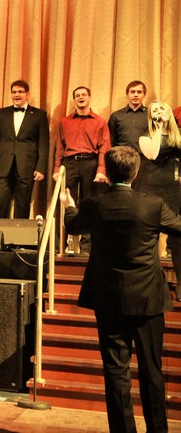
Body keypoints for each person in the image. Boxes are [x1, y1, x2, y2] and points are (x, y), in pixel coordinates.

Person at [63, 146, 181, 433]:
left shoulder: (94, 205)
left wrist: (68, 205)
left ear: (108, 172)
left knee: (116, 371)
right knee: (152, 370)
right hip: (148, 298)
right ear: (135, 172)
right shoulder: (153, 204)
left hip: (108, 298)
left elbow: (73, 226)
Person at [53, 86, 111, 256]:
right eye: (77, 95)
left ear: (89, 97)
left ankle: (86, 247)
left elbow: (104, 148)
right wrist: (56, 169)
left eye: (84, 95)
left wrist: (101, 170)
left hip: (90, 164)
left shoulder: (100, 122)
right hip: (69, 164)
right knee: (64, 201)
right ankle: (60, 245)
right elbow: (59, 147)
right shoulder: (65, 122)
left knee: (90, 203)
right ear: (74, 100)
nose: (81, 97)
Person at [0, 80, 50, 219]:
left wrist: (40, 167)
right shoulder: (1, 113)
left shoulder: (39, 115)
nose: (17, 95)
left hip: (27, 166)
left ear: (27, 94)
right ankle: (0, 232)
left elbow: (43, 144)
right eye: (14, 92)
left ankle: (19, 233)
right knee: (0, 202)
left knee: (23, 204)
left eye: (20, 92)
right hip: (3, 166)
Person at [139, 101, 181, 279]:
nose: (158, 112)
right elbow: (152, 154)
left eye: (162, 109)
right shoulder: (145, 136)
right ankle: (150, 279)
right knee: (149, 234)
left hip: (172, 189)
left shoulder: (178, 136)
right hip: (150, 187)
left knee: (177, 236)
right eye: (154, 110)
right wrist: (158, 129)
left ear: (169, 112)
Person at [108, 80, 148, 151]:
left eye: (139, 92)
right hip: (121, 156)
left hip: (144, 156)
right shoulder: (116, 116)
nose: (136, 95)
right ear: (127, 94)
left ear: (144, 95)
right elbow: (110, 140)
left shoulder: (150, 115)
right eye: (132, 92)